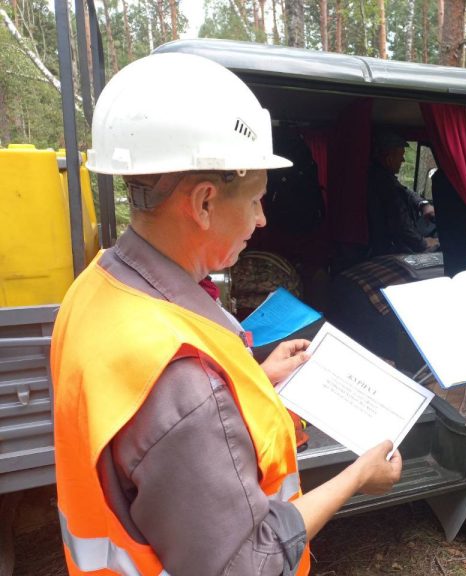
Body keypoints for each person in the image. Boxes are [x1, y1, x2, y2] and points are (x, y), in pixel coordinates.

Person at [51, 52, 401, 576]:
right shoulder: (184, 382)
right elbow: (249, 563)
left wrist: (254, 379)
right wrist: (356, 476)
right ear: (205, 202)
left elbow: (152, 437)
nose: (262, 220)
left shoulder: (96, 286)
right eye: (258, 200)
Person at [367, 130, 439, 255]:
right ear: (389, 158)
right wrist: (423, 243)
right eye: (401, 155)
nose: (403, 160)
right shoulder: (385, 185)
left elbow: (405, 191)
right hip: (391, 248)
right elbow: (401, 224)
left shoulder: (382, 176)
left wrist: (423, 204)